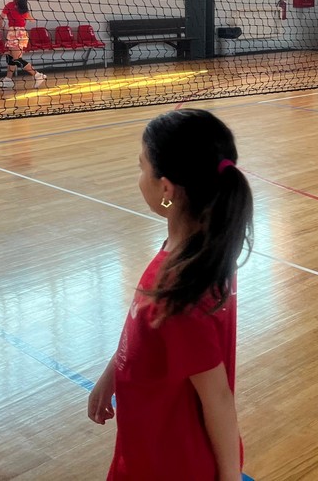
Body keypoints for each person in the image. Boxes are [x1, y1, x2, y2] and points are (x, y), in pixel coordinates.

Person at [88, 109, 253, 480]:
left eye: (141, 166)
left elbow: (218, 399)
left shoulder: (180, 292)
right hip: (147, 440)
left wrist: (229, 477)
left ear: (165, 189)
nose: (138, 177)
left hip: (171, 461)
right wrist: (110, 377)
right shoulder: (195, 251)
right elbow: (144, 332)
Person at [0, 0, 46, 89]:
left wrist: (3, 28)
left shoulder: (10, 5)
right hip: (21, 33)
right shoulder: (22, 5)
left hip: (15, 34)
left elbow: (0, 19)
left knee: (17, 59)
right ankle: (8, 79)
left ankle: (37, 75)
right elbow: (31, 19)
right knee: (11, 57)